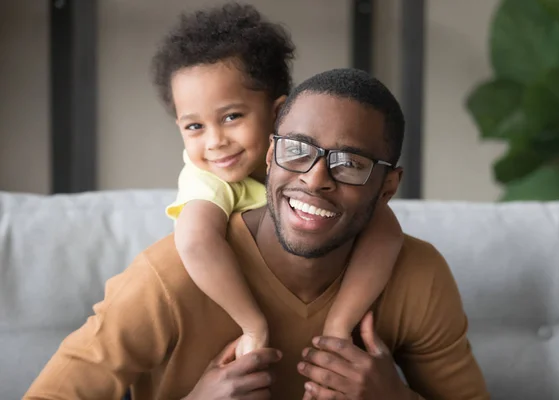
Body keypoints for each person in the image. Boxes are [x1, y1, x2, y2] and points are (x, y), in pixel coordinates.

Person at [24, 66, 490, 399]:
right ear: (269, 156)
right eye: (297, 150)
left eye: (350, 164)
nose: (314, 178)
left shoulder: (417, 275)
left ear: (388, 186)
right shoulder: (168, 278)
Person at [155, 2, 404, 358]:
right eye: (194, 126)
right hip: (213, 323)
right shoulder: (207, 179)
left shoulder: (302, 160)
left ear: (278, 113)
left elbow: (386, 231)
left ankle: (336, 327)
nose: (214, 141)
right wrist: (253, 325)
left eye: (231, 117)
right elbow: (196, 244)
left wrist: (338, 326)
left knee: (385, 224)